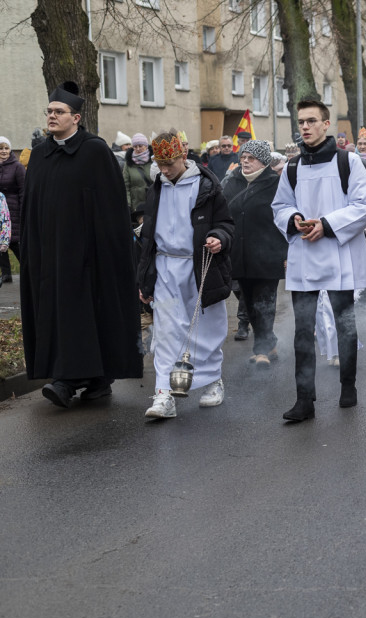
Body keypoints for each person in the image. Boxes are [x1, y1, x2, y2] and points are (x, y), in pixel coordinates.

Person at [20, 82, 143, 407]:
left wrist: (104, 252)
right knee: (58, 316)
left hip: (89, 258)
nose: (51, 117)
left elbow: (110, 209)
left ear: (76, 117)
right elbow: (32, 206)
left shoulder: (94, 151)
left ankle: (69, 381)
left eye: (58, 112)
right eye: (49, 111)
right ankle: (89, 380)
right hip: (50, 258)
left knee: (85, 317)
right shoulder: (42, 155)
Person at [271, 99, 366, 422]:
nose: (304, 126)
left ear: (325, 124)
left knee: (345, 324)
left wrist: (327, 225)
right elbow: (279, 206)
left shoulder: (348, 162)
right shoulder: (292, 167)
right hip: (305, 254)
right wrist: (295, 218)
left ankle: (348, 385)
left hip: (337, 252)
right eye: (301, 121)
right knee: (303, 330)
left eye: (311, 121)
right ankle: (304, 398)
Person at [137, 131, 233, 419]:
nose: (165, 170)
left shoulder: (207, 185)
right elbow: (149, 236)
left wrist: (218, 237)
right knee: (165, 332)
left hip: (200, 265)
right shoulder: (156, 187)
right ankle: (164, 395)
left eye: (170, 164)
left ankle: (212, 380)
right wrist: (144, 277)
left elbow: (225, 224)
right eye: (160, 164)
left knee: (205, 328)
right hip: (165, 267)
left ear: (183, 156)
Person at [222, 140, 288, 368]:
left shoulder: (276, 184)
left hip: (268, 253)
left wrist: (286, 252)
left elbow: (284, 220)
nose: (245, 161)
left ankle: (261, 350)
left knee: (266, 302)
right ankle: (270, 343)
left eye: (251, 158)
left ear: (263, 161)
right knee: (248, 303)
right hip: (240, 254)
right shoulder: (232, 182)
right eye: (243, 157)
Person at [0, 136, 26, 282]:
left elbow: (23, 190)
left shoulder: (17, 167)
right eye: (1, 148)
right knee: (0, 241)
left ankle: (28, 269)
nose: (4, 151)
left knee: (14, 242)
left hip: (13, 209)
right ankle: (6, 274)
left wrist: (23, 210)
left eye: (6, 148)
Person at [123, 133, 153, 210]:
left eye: (140, 146)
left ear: (146, 146)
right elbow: (125, 186)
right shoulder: (128, 164)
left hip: (152, 203)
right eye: (135, 146)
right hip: (136, 206)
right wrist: (128, 205)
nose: (138, 149)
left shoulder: (153, 161)